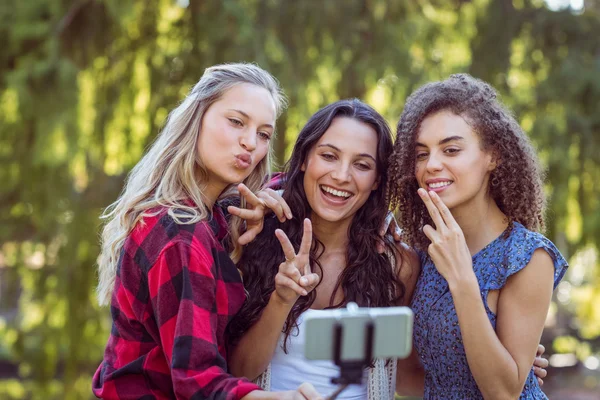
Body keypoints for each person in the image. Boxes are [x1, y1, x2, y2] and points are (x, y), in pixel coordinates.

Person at [227, 98, 550, 400]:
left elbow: (409, 375)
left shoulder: (397, 263)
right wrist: (281, 300)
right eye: (328, 156)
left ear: (379, 179)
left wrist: (512, 365)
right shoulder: (252, 238)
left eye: (362, 165)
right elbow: (235, 372)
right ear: (304, 160)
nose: (341, 176)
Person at [92, 63, 322, 400]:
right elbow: (197, 382)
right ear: (197, 118)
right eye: (236, 122)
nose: (250, 144)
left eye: (263, 134)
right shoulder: (180, 237)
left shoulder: (206, 217)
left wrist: (274, 197)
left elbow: (296, 185)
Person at [388, 73, 568, 399]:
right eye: (421, 154)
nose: (432, 165)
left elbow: (503, 392)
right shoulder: (422, 254)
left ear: (492, 156)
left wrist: (462, 279)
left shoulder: (527, 257)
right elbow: (409, 379)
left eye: (451, 149)